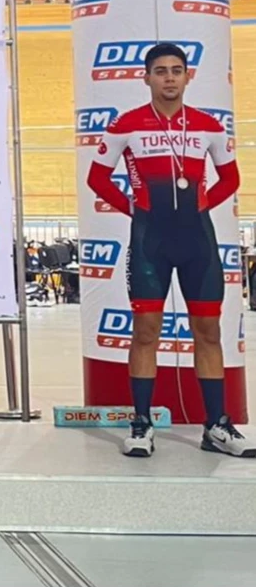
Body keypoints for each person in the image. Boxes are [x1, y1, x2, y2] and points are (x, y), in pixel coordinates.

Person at [87, 42, 251, 457]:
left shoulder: (208, 126)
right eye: (160, 71)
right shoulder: (127, 124)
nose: (169, 78)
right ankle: (141, 424)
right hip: (150, 241)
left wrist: (203, 204)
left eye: (176, 70)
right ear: (146, 77)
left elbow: (231, 179)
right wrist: (133, 208)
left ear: (187, 76)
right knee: (146, 332)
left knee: (208, 332)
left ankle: (216, 426)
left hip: (197, 240)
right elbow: (97, 178)